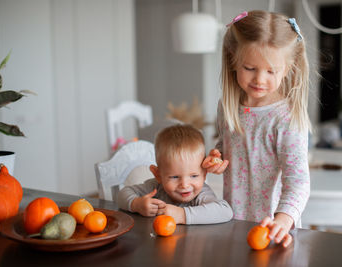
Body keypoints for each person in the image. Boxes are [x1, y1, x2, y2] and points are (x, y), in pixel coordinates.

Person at [202, 10, 311, 247]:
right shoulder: (228, 106)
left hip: (272, 230)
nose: (260, 79)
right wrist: (217, 156)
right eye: (250, 68)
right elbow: (226, 145)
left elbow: (299, 181)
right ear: (233, 59)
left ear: (288, 67)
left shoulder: (285, 119)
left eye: (271, 71)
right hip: (234, 221)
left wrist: (283, 220)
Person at [118, 124, 233, 225]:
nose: (184, 185)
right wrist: (136, 204)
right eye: (175, 177)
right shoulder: (156, 187)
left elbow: (225, 211)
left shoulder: (201, 193)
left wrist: (182, 215)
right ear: (158, 175)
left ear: (204, 174)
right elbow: (121, 194)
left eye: (194, 176)